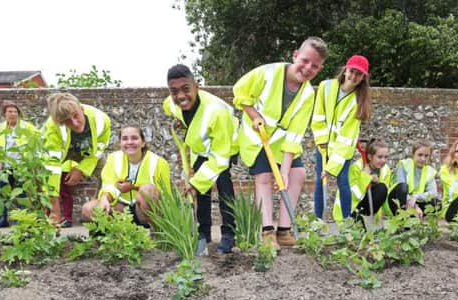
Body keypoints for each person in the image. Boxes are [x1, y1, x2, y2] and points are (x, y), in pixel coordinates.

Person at [233, 37, 328, 250]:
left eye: (315, 66)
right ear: (295, 55)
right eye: (305, 61)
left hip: (282, 142)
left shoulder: (308, 94)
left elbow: (295, 134)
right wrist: (253, 114)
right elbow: (240, 93)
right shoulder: (267, 73)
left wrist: (284, 172)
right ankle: (267, 231)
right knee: (265, 178)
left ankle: (283, 230)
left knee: (298, 174)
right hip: (257, 137)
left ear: (320, 69)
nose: (308, 68)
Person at [163, 64, 238, 255]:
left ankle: (229, 233)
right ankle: (204, 233)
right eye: (174, 91)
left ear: (197, 86)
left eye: (186, 89)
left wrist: (196, 183)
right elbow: (168, 107)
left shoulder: (217, 111)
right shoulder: (172, 103)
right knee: (201, 188)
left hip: (226, 144)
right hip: (202, 149)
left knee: (222, 183)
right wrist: (179, 121)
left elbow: (220, 158)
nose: (180, 96)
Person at [312, 55, 373, 222]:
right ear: (345, 70)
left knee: (343, 181)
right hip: (322, 145)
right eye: (352, 71)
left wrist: (331, 167)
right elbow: (318, 116)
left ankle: (346, 222)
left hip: (342, 150)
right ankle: (318, 221)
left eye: (359, 74)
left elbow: (346, 138)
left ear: (363, 78)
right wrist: (321, 141)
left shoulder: (358, 102)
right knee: (320, 181)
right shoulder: (326, 87)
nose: (353, 77)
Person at [43, 93, 111, 227]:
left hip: (87, 154)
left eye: (76, 116)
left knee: (106, 169)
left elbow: (98, 150)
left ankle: (102, 213)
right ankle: (45, 220)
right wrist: (54, 205)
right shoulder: (53, 128)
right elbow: (52, 165)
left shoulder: (101, 120)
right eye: (67, 121)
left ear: (82, 109)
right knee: (42, 178)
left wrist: (81, 169)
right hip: (61, 154)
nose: (74, 123)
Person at [81, 126, 171, 227]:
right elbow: (108, 184)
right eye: (125, 139)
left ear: (143, 142)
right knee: (88, 209)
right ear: (120, 143)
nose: (129, 142)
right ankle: (110, 237)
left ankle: (155, 234)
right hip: (121, 208)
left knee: (147, 189)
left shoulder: (159, 162)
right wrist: (104, 198)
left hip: (144, 211)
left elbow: (164, 195)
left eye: (134, 138)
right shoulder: (113, 158)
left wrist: (133, 187)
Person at [0, 100, 40, 228]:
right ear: (4, 114)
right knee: (1, 192)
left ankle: (21, 219)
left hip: (22, 166)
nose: (13, 114)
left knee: (22, 193)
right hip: (4, 166)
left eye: (15, 112)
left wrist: (31, 159)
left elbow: (38, 141)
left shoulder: (27, 127)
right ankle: (2, 219)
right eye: (10, 112)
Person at [333, 138, 391, 225]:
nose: (383, 160)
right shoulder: (356, 168)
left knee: (381, 187)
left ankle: (371, 221)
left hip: (369, 209)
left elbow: (384, 196)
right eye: (380, 157)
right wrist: (365, 176)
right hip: (349, 209)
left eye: (386, 157)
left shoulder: (385, 170)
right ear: (370, 157)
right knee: (359, 236)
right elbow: (353, 196)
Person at [389, 139, 440, 218]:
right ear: (413, 154)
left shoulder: (429, 171)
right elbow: (400, 188)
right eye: (420, 155)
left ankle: (415, 216)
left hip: (414, 200)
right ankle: (405, 218)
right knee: (403, 187)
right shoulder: (404, 164)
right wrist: (415, 206)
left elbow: (433, 193)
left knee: (437, 202)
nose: (423, 159)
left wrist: (416, 197)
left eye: (426, 156)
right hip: (397, 201)